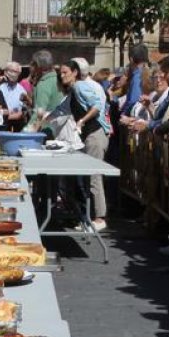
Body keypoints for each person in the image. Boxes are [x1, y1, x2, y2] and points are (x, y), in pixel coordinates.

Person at [58, 59, 111, 229]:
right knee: (88, 177)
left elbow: (96, 106)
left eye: (65, 72)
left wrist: (81, 121)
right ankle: (86, 216)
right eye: (61, 72)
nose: (62, 75)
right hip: (87, 135)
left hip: (95, 134)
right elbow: (60, 109)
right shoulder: (73, 90)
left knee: (95, 175)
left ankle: (100, 218)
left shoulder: (80, 86)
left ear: (75, 72)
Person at [28, 49, 63, 126]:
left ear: (38, 65)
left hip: (47, 130)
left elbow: (38, 114)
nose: (31, 66)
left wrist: (25, 132)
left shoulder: (44, 84)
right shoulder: (59, 80)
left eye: (33, 64)